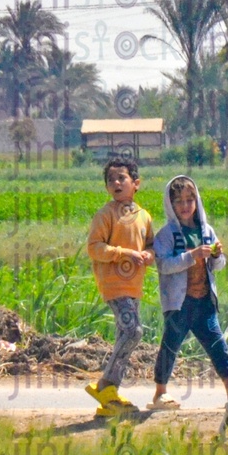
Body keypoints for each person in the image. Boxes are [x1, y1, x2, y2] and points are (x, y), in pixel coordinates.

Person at [150, 175, 228, 410]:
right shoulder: (166, 235)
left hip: (204, 301)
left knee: (218, 345)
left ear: (197, 201)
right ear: (170, 205)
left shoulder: (206, 230)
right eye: (178, 201)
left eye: (190, 200)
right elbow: (164, 265)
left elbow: (218, 265)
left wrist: (217, 256)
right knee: (170, 345)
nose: (185, 206)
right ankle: (160, 393)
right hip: (179, 303)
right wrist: (192, 256)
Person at [84, 157, 154, 416]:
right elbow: (94, 248)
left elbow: (150, 245)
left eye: (121, 178)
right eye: (110, 179)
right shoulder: (106, 214)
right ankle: (106, 384)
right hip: (114, 285)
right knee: (133, 331)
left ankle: (108, 400)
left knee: (125, 335)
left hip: (134, 286)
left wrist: (148, 254)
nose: (115, 183)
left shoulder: (145, 216)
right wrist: (124, 253)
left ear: (136, 183)